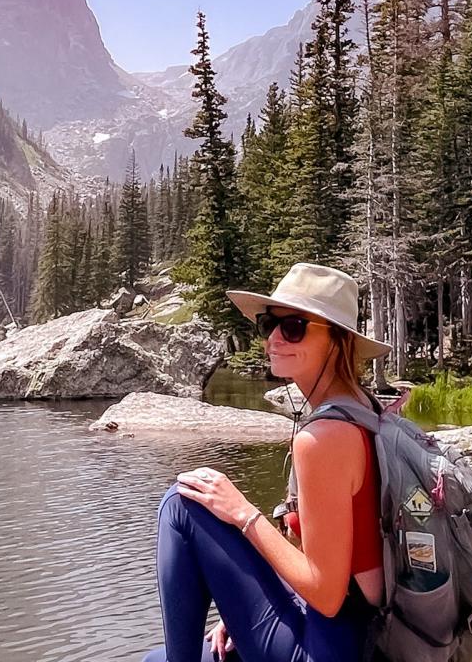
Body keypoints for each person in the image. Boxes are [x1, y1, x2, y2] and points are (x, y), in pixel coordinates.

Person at [141, 263, 391, 662]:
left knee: (182, 503)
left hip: (329, 646)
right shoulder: (369, 411)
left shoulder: (323, 438)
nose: (274, 338)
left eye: (293, 327)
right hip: (359, 634)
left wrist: (243, 513)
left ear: (337, 341)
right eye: (268, 323)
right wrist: (248, 601)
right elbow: (336, 566)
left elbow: (326, 594)